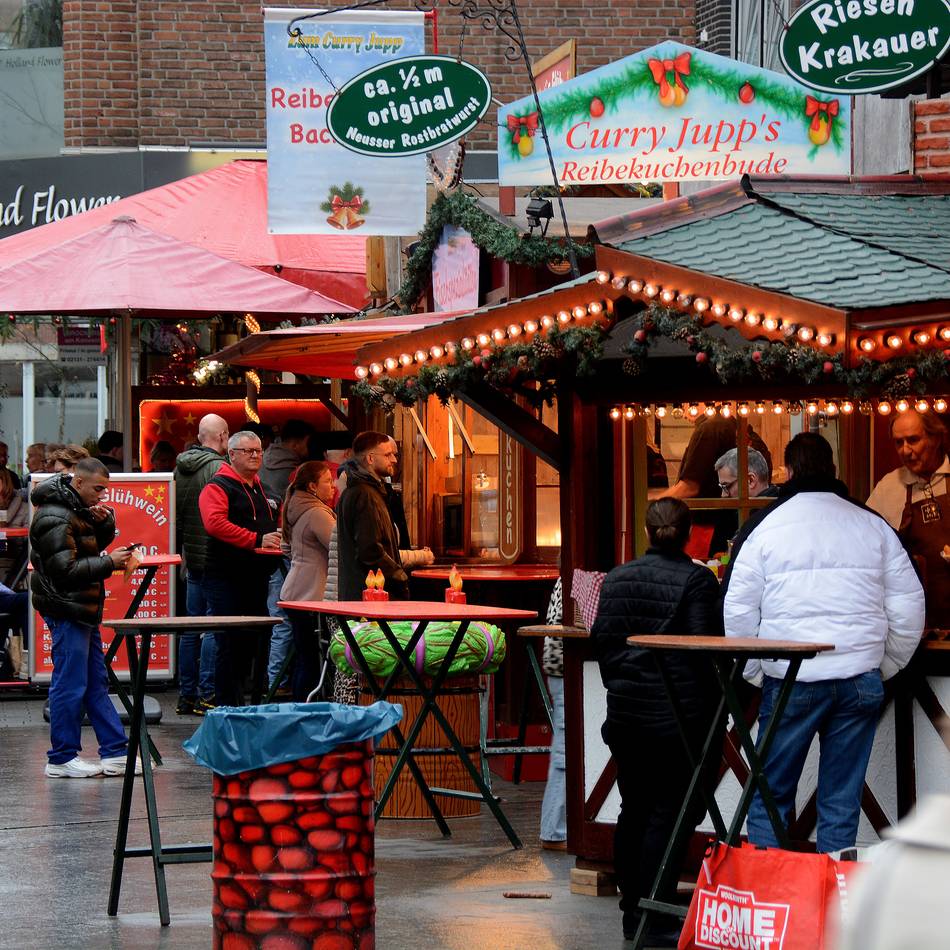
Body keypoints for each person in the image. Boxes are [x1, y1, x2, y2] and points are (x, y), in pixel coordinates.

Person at [724, 432, 926, 852]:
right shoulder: (872, 524)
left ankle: (771, 902)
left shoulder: (762, 528)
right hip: (858, 680)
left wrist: (757, 672)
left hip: (790, 681)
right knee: (841, 804)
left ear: (789, 472)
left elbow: (737, 612)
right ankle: (834, 908)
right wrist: (882, 664)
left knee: (771, 795)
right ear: (833, 470)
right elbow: (909, 607)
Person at [592, 498, 724, 944]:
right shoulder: (697, 580)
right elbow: (707, 654)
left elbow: (605, 647)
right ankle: (655, 915)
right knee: (669, 814)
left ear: (648, 532)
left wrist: (625, 685)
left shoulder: (617, 578)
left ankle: (634, 913)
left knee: (635, 810)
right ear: (689, 534)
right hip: (678, 720)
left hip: (628, 716)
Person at [30, 458, 139, 778]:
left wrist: (102, 524)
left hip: (79, 608)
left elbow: (83, 549)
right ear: (78, 484)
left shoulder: (71, 508)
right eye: (98, 489)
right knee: (72, 682)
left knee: (93, 680)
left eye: (105, 489)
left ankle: (115, 752)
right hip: (67, 608)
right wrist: (110, 563)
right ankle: (62, 757)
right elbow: (65, 572)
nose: (102, 495)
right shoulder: (55, 516)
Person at [199, 430, 280, 707]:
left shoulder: (261, 487)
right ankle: (226, 706)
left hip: (256, 576)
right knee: (230, 644)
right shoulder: (218, 487)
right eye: (248, 451)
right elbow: (214, 524)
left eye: (258, 450)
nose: (256, 455)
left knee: (250, 644)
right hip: (226, 576)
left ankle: (246, 704)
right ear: (231, 454)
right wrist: (256, 539)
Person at [867, 409, 950, 629]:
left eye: (913, 440)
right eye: (898, 443)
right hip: (912, 623)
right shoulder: (889, 487)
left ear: (936, 438)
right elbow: (866, 547)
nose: (905, 450)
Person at [173, 413, 229, 715]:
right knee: (211, 626)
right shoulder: (220, 467)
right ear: (221, 437)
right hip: (213, 556)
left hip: (190, 557)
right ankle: (208, 695)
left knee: (191, 627)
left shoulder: (180, 467)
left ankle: (186, 694)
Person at [655, 415, 771, 556]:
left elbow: (689, 487)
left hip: (706, 527)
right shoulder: (744, 433)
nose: (682, 411)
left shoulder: (710, 429)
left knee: (700, 568)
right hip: (742, 526)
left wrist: (651, 504)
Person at [280, 461, 336, 701]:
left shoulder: (296, 507)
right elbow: (341, 548)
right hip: (311, 594)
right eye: (328, 482)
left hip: (297, 591)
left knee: (305, 658)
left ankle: (300, 710)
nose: (333, 487)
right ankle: (306, 711)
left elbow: (285, 548)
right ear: (313, 486)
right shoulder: (316, 513)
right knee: (311, 662)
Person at [336, 432, 410, 602]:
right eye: (387, 455)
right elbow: (369, 550)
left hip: (364, 594)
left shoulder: (363, 491)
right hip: (370, 597)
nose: (394, 460)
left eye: (394, 454)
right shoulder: (365, 495)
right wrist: (399, 575)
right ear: (370, 458)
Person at [259, 418, 315, 500]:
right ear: (295, 445)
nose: (311, 447)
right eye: (308, 443)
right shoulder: (295, 474)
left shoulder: (261, 461)